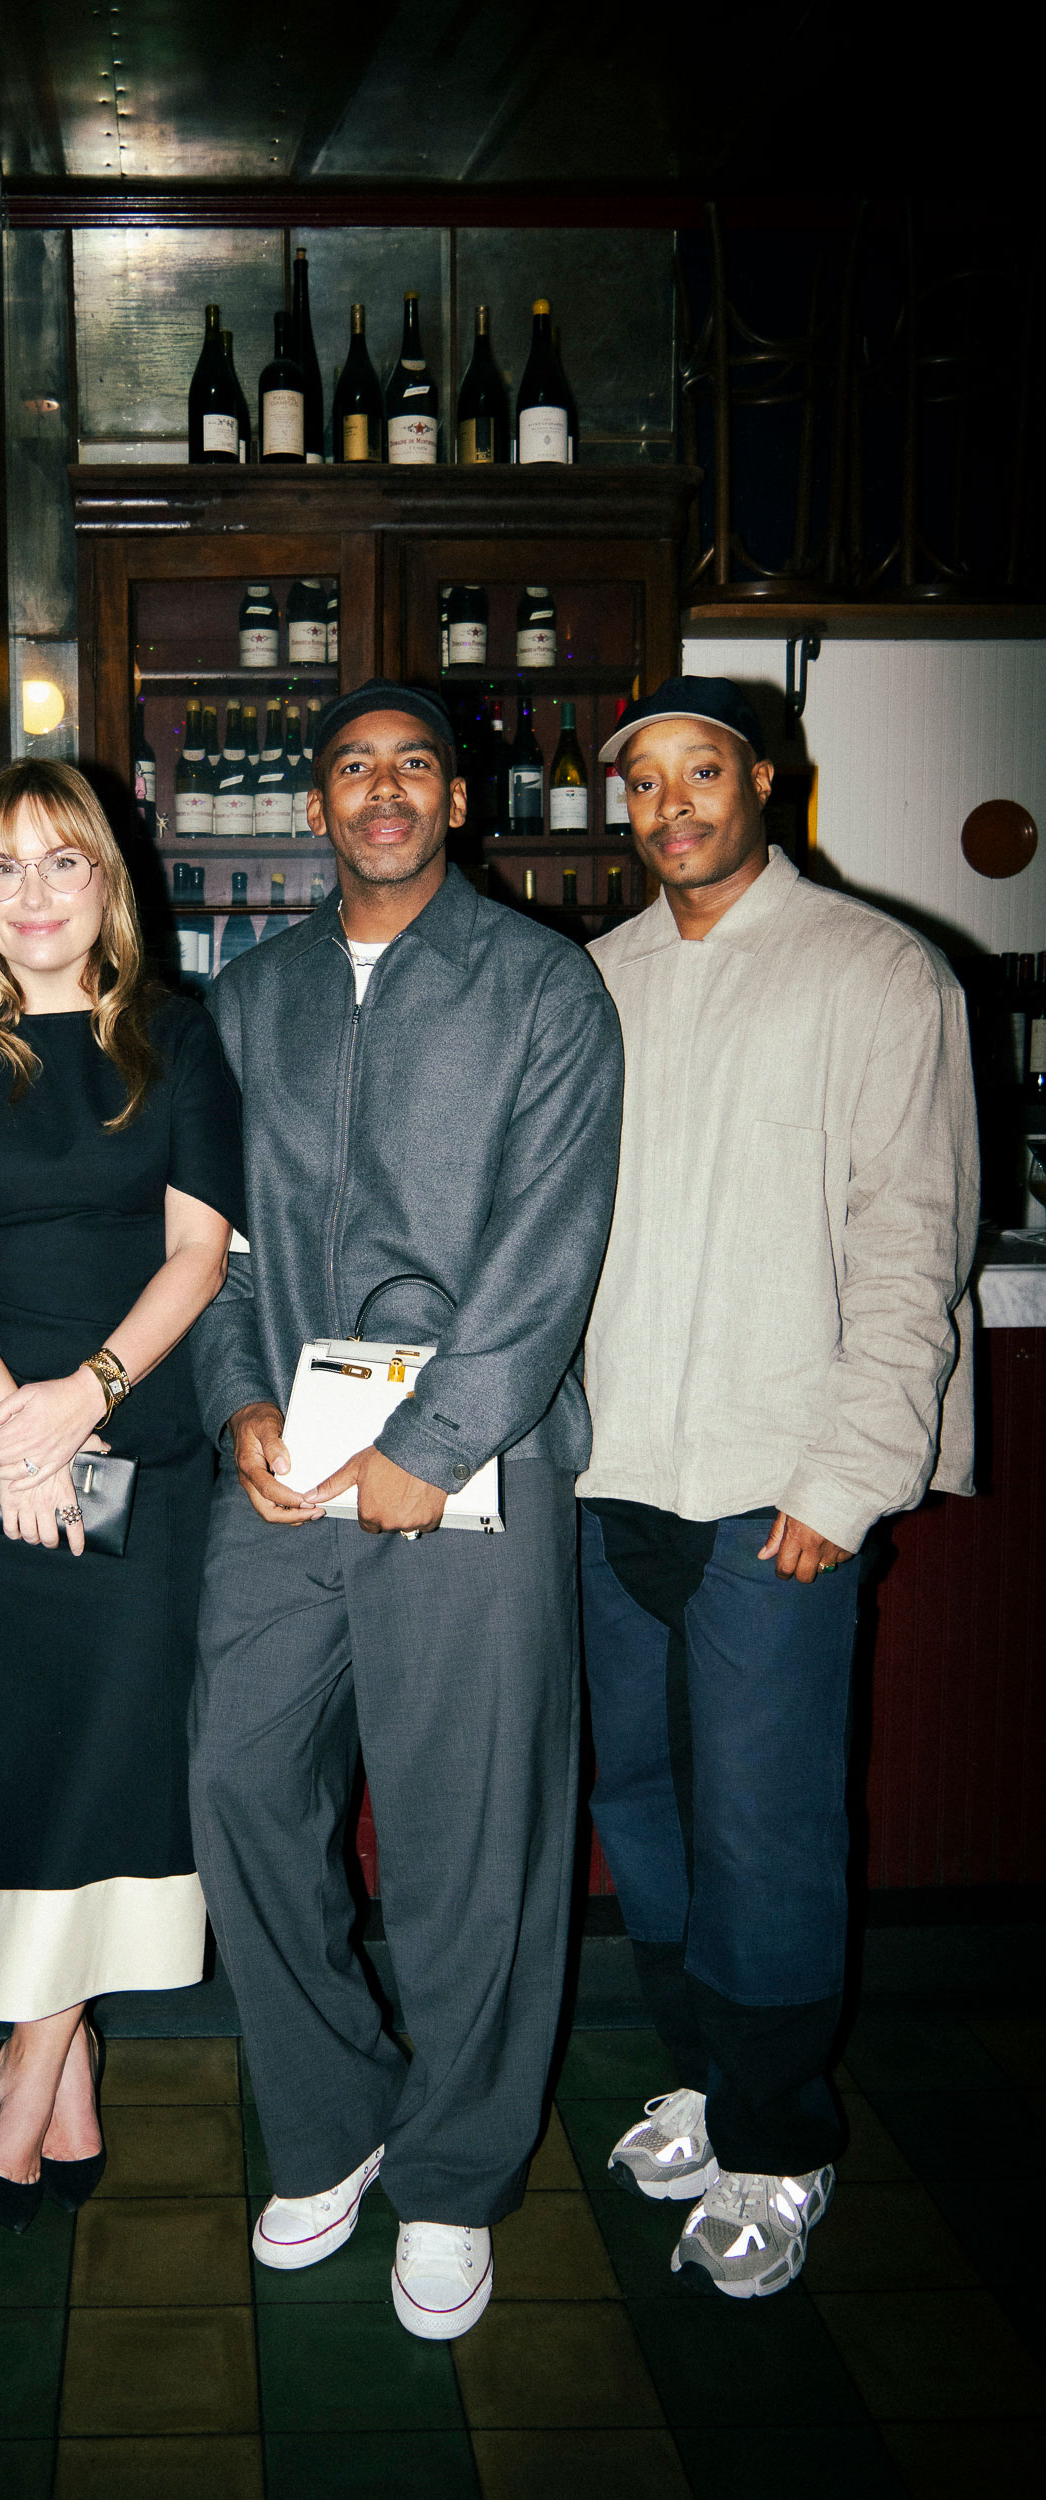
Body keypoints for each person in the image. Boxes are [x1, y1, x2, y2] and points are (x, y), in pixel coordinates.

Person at [186, 680, 624, 2340]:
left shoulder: (540, 986)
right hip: (286, 1470)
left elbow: (549, 1246)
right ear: (318, 804)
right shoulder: (255, 996)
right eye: (353, 767)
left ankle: (453, 2176)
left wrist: (435, 1444)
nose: (382, 791)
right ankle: (332, 2117)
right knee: (236, 1783)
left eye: (414, 766)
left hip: (475, 1467)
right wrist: (235, 1403)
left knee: (472, 1840)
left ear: (460, 799)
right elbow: (209, 1240)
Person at [579, 676, 979, 2298]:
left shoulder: (879, 972)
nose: (672, 805)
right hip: (613, 1485)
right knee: (643, 1813)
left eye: (702, 772)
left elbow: (912, 1244)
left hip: (778, 1494)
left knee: (764, 1831)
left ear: (768, 779)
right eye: (645, 783)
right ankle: (714, 2075)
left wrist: (850, 1475)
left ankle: (783, 2141)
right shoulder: (592, 980)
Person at [0, 758, 242, 2232]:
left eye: (60, 864)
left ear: (106, 882)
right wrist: (17, 1427)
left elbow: (199, 1257)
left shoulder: (178, 1038)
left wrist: (83, 1398)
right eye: (0, 869)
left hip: (138, 1438)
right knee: (14, 1756)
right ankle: (51, 2064)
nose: (30, 895)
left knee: (119, 1749)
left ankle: (33, 2054)